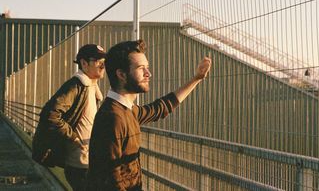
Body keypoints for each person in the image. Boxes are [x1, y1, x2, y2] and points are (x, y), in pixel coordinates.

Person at [87, 40, 212, 190]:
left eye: (147, 68)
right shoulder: (112, 118)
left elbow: (160, 108)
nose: (149, 73)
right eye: (141, 68)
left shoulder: (127, 110)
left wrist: (196, 79)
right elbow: (108, 181)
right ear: (121, 74)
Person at [32, 44, 106, 191]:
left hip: (88, 161)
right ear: (84, 63)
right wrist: (73, 137)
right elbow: (51, 115)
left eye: (104, 60)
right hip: (79, 163)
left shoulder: (91, 87)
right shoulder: (76, 86)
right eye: (98, 60)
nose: (103, 64)